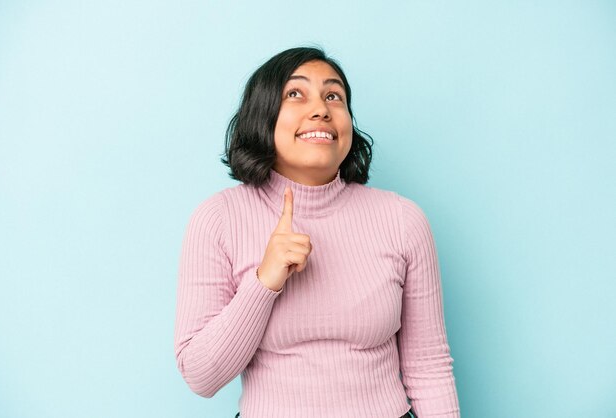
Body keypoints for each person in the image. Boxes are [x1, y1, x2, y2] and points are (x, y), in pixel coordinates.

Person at [174, 46, 460, 418]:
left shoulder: (402, 219)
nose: (321, 109)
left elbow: (429, 368)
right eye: (295, 94)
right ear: (263, 116)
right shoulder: (218, 218)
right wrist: (264, 283)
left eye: (333, 96)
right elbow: (201, 375)